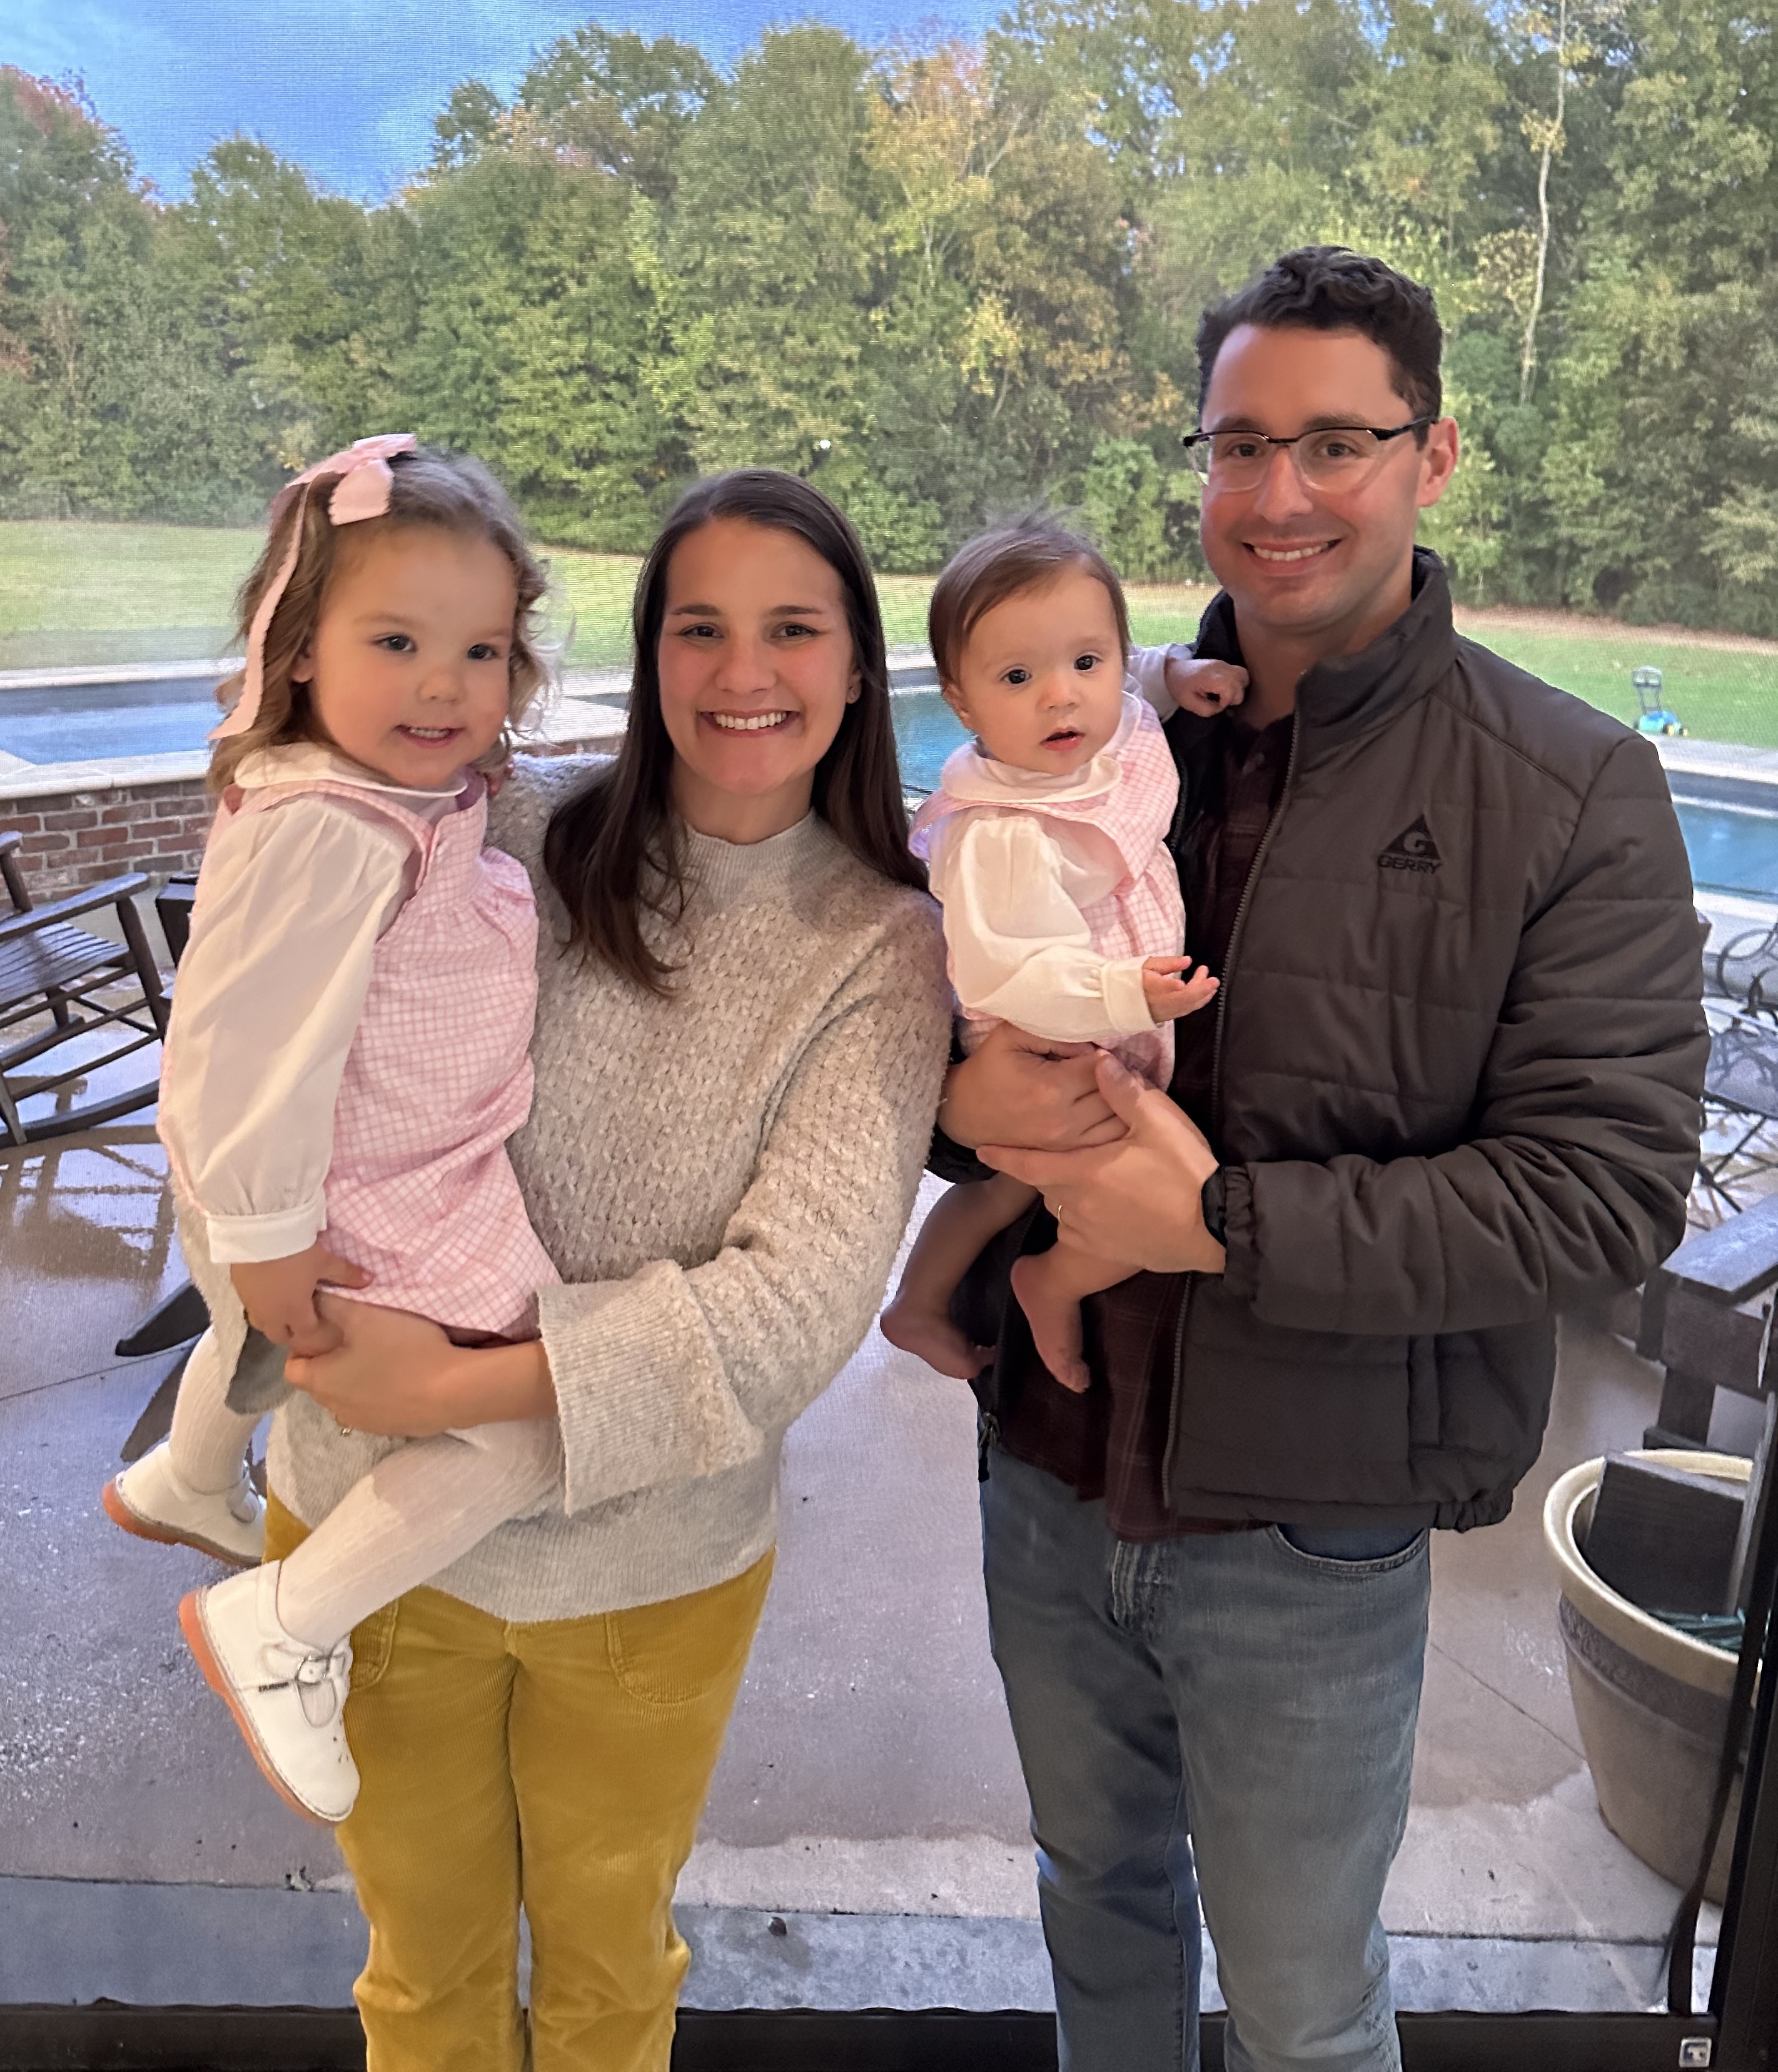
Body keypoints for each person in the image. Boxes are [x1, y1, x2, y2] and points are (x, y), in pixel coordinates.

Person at [934, 247, 1707, 2071]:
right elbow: (916, 996)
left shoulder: (1569, 786)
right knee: (1096, 1913)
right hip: (1046, 1474)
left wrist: (1217, 1225)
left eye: (1337, 441)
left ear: (1434, 456)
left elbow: (1603, 1195)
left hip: (1311, 1521)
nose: (1279, 495)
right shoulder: (1090, 743)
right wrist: (947, 1111)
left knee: (1300, 2004)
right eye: (1239, 443)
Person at [266, 468, 952, 2071]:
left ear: (858, 668)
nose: (743, 673)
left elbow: (788, 1313)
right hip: (373, 1538)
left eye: (793, 630)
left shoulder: (880, 950)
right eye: (698, 628)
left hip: (643, 1572)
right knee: (420, 1978)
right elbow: (275, 1019)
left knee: (604, 1984)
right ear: (648, 658)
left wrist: (461, 1384)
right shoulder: (508, 830)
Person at [103, 436, 564, 1826]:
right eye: (398, 640)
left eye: (481, 651)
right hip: (377, 1188)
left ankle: (184, 1475)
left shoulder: (383, 800)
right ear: (299, 646)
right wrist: (265, 1235)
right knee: (532, 1428)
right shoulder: (335, 829)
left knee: (259, 1336)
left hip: (375, 1168)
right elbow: (241, 1046)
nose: (444, 684)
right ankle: (285, 1624)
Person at [880, 518, 1245, 1390]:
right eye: (1017, 676)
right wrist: (1126, 993)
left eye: (1088, 662)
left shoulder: (1108, 727)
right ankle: (1041, 1284)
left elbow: (1132, 675)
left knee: (1013, 1185)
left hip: (1106, 1003)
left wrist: (1176, 673)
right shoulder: (1000, 830)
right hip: (1046, 1026)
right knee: (1106, 1180)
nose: (1063, 697)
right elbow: (1016, 974)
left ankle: (919, 1302)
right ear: (960, 702)